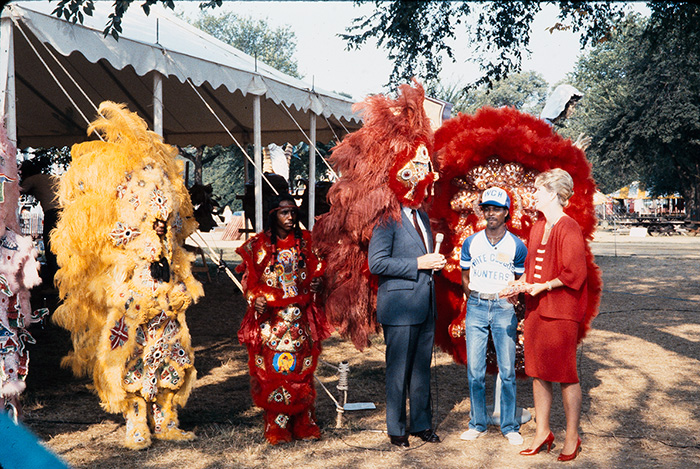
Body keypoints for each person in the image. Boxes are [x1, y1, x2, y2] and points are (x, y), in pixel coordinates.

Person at [51, 102, 203, 450]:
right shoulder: (123, 221)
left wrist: (179, 283)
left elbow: (176, 248)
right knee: (131, 360)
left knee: (170, 356)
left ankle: (166, 420)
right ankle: (136, 423)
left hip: (166, 301)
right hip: (134, 302)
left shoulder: (167, 223)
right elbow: (116, 258)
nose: (155, 197)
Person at [236, 193, 332, 445]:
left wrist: (318, 283)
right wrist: (254, 299)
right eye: (284, 212)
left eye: (293, 212)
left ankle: (303, 421)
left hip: (301, 321)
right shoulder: (258, 246)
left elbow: (319, 272)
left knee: (302, 371)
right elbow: (249, 282)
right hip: (272, 323)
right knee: (274, 371)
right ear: (272, 215)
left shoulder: (308, 242)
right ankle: (276, 425)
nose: (290, 217)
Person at [368, 143, 446, 448]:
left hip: (424, 304)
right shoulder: (387, 219)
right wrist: (418, 263)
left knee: (421, 369)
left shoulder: (423, 218)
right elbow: (377, 263)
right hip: (400, 307)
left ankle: (421, 424)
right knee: (398, 369)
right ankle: (397, 429)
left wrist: (433, 263)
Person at [516, 168, 588, 461]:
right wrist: (520, 284)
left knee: (565, 374)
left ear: (553, 194)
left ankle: (572, 436)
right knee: (537, 370)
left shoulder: (568, 227)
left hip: (561, 311)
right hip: (537, 310)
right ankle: (542, 431)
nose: (533, 194)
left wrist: (542, 285)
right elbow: (532, 268)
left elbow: (575, 273)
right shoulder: (537, 227)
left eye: (537, 190)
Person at [459, 187, 527, 445]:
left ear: (506, 212)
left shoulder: (517, 245)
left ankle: (509, 427)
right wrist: (473, 296)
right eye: (487, 208)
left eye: (496, 209)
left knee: (507, 370)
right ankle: (477, 423)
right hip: (476, 305)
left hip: (503, 308)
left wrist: (511, 297)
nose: (491, 213)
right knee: (475, 370)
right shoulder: (471, 242)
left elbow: (520, 278)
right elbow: (465, 276)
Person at [19, 159, 60, 289]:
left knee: (50, 246)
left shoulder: (32, 179)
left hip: (52, 213)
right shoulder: (49, 177)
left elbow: (17, 191)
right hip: (66, 212)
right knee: (63, 247)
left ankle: (55, 280)